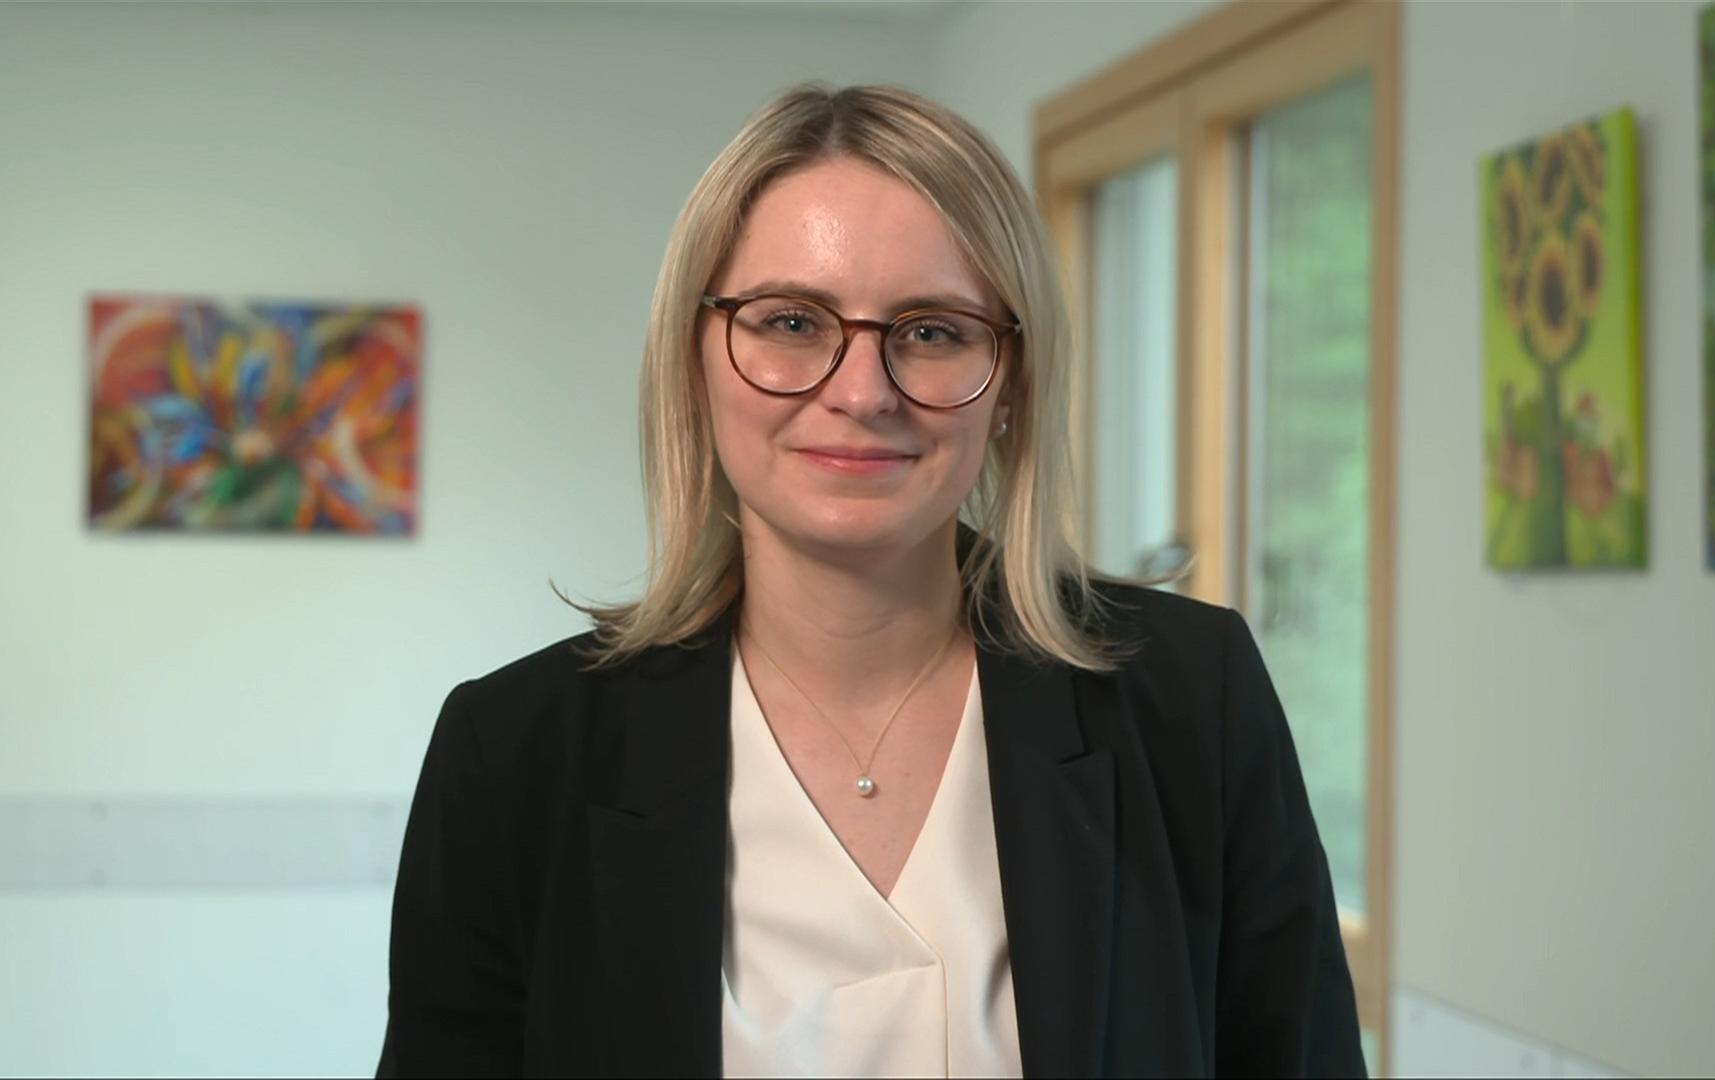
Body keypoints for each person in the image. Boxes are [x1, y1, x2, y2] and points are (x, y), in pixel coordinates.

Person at [377, 83, 1363, 1079]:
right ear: (694, 359)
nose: (861, 392)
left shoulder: (1190, 699)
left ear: (1012, 382)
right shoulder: (515, 753)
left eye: (932, 331)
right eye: (790, 321)